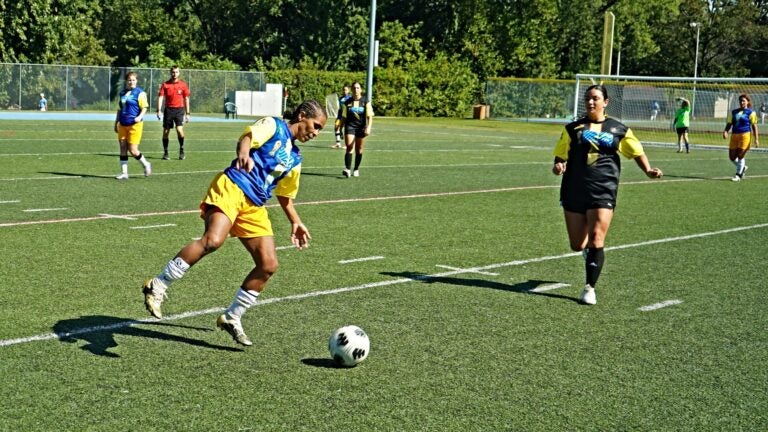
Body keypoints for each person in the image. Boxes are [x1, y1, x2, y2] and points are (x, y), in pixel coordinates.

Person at [141, 100, 327, 346]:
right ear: (302, 116)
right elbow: (248, 137)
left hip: (255, 205)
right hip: (233, 186)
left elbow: (285, 195)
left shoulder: (296, 158)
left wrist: (296, 222)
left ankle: (232, 316)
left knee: (268, 264)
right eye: (315, 126)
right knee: (213, 240)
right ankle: (158, 285)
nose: (315, 133)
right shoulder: (274, 126)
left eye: (319, 130)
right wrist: (243, 153)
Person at [551, 84, 663, 305]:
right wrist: (558, 165)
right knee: (577, 244)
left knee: (596, 237)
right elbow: (560, 155)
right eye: (588, 99)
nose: (591, 102)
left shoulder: (619, 129)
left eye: (595, 98)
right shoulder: (572, 128)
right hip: (574, 188)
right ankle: (589, 253)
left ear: (606, 102)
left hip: (603, 188)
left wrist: (648, 170)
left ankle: (589, 287)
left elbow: (636, 152)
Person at [114, 71, 151, 180]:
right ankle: (124, 173)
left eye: (133, 80)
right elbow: (119, 109)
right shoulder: (122, 93)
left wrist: (139, 117)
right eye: (129, 80)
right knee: (122, 146)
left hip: (135, 125)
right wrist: (116, 122)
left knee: (133, 150)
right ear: (126, 81)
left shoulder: (140, 93)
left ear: (136, 81)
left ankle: (146, 164)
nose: (131, 82)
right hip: (123, 124)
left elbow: (144, 107)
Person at [339, 81, 374, 177]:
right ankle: (347, 169)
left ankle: (356, 168)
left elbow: (369, 116)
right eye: (354, 88)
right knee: (349, 147)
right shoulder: (347, 102)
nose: (356, 90)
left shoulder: (365, 102)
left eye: (358, 88)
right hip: (350, 126)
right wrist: (340, 128)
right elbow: (344, 117)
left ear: (361, 90)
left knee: (359, 149)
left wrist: (369, 127)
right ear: (352, 89)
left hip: (361, 127)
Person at [156, 65, 191, 160]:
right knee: (166, 132)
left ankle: (181, 150)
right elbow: (160, 97)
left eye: (176, 72)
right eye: (173, 72)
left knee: (179, 130)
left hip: (179, 110)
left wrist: (188, 113)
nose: (174, 74)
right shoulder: (165, 84)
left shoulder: (183, 85)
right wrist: (158, 110)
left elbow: (186, 98)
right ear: (170, 73)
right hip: (168, 110)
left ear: (179, 73)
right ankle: (166, 152)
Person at [722, 93, 759, 182]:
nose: (741, 102)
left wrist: (756, 139)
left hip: (745, 135)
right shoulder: (734, 112)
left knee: (740, 155)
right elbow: (729, 123)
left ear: (747, 102)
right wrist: (726, 131)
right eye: (740, 100)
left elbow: (754, 126)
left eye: (743, 101)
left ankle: (738, 175)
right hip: (734, 136)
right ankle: (743, 167)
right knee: (732, 157)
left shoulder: (751, 112)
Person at [331, 84, 351, 149]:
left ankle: (347, 144)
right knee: (336, 127)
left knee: (347, 130)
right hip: (340, 116)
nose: (344, 91)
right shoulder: (340, 98)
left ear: (348, 91)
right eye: (343, 90)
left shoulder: (350, 98)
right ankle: (338, 143)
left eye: (346, 90)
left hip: (347, 116)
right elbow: (340, 108)